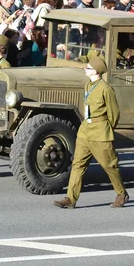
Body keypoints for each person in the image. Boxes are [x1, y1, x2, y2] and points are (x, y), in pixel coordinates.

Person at [53, 56, 129, 209]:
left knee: (110, 166)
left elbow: (114, 114)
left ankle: (121, 194)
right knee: (78, 165)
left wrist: (105, 129)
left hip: (100, 133)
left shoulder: (106, 89)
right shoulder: (88, 85)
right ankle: (71, 198)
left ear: (95, 71)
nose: (85, 69)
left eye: (87, 67)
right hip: (85, 132)